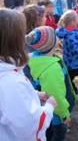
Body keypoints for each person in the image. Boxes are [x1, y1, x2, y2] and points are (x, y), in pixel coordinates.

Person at [0, 8, 56, 141]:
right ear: (15, 41)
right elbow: (27, 126)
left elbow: (9, 102)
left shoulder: (7, 72)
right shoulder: (11, 83)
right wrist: (49, 107)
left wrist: (35, 94)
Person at [26, 26, 76, 141]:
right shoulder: (51, 69)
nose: (59, 38)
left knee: (47, 129)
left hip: (46, 108)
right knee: (59, 133)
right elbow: (55, 95)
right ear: (52, 44)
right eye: (56, 37)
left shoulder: (37, 58)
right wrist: (64, 115)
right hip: (57, 112)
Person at [56, 10, 78, 93]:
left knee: (73, 73)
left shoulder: (72, 29)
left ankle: (70, 85)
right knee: (72, 75)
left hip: (71, 60)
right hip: (72, 61)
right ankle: (71, 89)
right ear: (72, 21)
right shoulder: (71, 34)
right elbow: (75, 49)